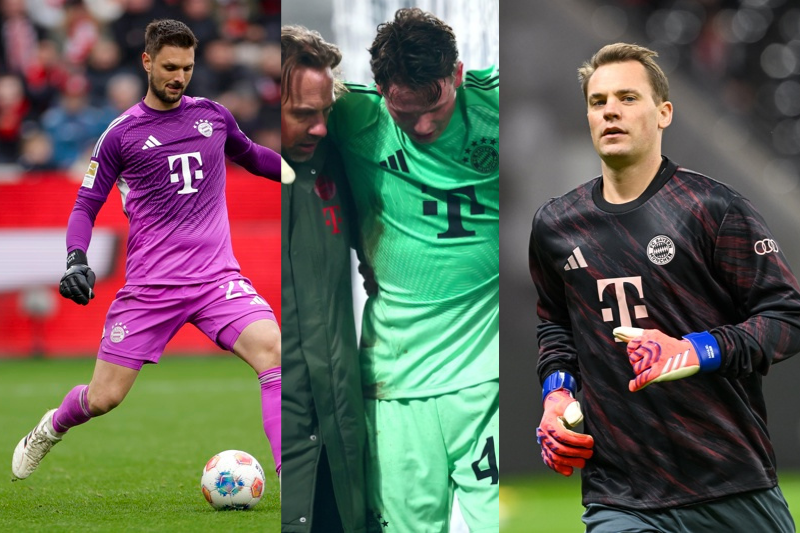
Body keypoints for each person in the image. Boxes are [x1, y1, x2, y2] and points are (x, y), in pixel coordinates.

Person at [529, 42, 800, 532]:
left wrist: (695, 350)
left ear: (664, 113)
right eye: (598, 101)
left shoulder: (713, 208)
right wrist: (556, 395)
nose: (610, 109)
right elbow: (557, 328)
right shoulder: (556, 225)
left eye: (628, 98)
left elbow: (787, 318)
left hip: (730, 482)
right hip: (621, 496)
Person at [12, 19, 283, 485]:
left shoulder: (214, 116)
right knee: (103, 399)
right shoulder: (121, 135)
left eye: (188, 68)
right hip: (151, 288)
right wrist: (76, 258)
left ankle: (290, 476)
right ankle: (52, 425)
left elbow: (253, 155)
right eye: (170, 66)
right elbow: (85, 204)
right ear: (147, 62)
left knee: (273, 351)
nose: (179, 77)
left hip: (217, 279)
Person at [328, 8, 499, 532]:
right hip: (396, 377)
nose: (423, 127)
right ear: (380, 91)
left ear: (459, 75)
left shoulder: (500, 107)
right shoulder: (353, 117)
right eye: (405, 113)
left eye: (436, 106)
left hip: (488, 375)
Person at [280, 25, 367, 533]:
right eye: (303, 115)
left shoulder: (341, 161)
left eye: (326, 112)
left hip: (340, 428)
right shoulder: (236, 175)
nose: (319, 128)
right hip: (282, 428)